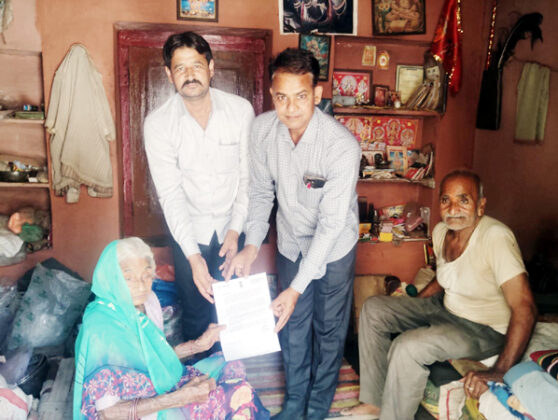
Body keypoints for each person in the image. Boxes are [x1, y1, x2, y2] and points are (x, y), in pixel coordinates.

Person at [225, 48, 362, 420]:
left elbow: (331, 225)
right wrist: (251, 246)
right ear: (271, 94)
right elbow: (260, 193)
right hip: (289, 240)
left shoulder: (342, 147)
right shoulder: (262, 130)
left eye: (301, 96)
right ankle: (294, 402)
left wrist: (296, 288)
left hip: (334, 248)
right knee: (291, 325)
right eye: (281, 97)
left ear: (317, 95)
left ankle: (317, 407)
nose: (291, 108)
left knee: (328, 328)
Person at [341, 169, 537, 420]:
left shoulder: (495, 237)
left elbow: (525, 307)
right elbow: (444, 277)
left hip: (484, 329)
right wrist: (413, 308)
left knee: (407, 346)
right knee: (374, 308)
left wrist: (500, 370)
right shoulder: (441, 231)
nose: (453, 208)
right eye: (446, 200)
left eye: (463, 200)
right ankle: (375, 402)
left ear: (480, 205)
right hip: (446, 309)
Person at [73, 237, 269, 420]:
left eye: (146, 275)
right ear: (111, 278)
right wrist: (180, 397)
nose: (141, 286)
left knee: (229, 363)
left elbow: (156, 357)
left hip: (160, 387)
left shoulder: (148, 303)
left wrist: (199, 345)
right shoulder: (101, 328)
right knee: (239, 394)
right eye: (129, 278)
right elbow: (109, 413)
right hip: (141, 411)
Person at [143, 32, 255, 345]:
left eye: (196, 65)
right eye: (180, 68)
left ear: (211, 67)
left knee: (235, 313)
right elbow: (171, 195)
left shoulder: (240, 111)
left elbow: (249, 177)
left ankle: (235, 386)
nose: (190, 75)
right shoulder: (158, 124)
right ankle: (201, 385)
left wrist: (235, 231)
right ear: (168, 74)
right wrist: (193, 258)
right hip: (188, 231)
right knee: (194, 314)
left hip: (234, 224)